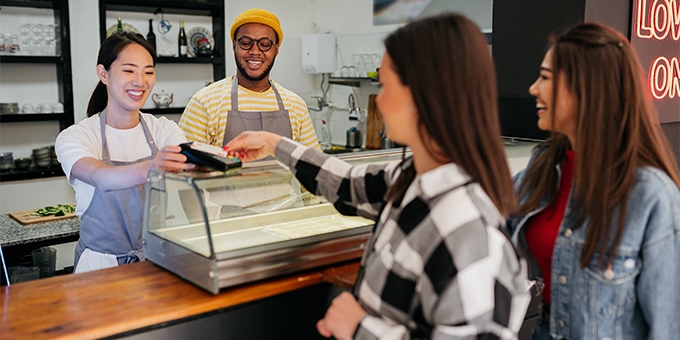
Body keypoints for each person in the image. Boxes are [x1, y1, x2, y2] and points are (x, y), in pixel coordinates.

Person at [226, 13, 530, 340]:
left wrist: (359, 327)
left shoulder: (469, 234)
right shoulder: (411, 179)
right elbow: (345, 183)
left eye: (385, 85)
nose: (379, 100)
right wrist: (273, 144)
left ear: (421, 96)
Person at [509, 22, 680, 339]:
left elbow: (667, 327)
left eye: (545, 78)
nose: (533, 88)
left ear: (586, 88)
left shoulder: (651, 195)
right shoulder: (543, 167)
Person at [55, 32, 194, 273]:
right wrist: (153, 166)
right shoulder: (77, 136)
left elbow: (191, 167)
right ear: (103, 74)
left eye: (148, 71)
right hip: (99, 267)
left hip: (155, 262)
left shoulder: (163, 129)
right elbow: (101, 178)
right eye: (129, 70)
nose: (140, 81)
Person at [179, 8, 320, 150]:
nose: (254, 51)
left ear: (276, 50)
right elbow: (184, 167)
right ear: (234, 45)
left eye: (264, 44)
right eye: (246, 43)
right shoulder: (205, 102)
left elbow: (312, 165)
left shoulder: (296, 106)